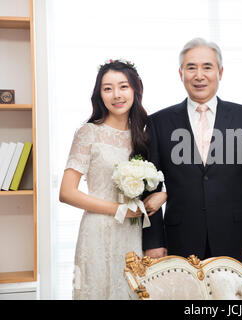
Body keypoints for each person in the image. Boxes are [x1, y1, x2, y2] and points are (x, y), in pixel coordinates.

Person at [143, 38, 242, 267]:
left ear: (220, 72)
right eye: (191, 67)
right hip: (179, 240)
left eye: (207, 67)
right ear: (180, 73)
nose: (199, 75)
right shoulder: (158, 122)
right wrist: (153, 241)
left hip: (235, 238)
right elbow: (151, 187)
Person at [59, 59, 167, 299]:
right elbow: (66, 192)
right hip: (97, 231)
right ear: (99, 94)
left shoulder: (145, 135)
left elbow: (163, 180)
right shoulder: (89, 132)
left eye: (123, 86)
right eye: (107, 88)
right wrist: (119, 209)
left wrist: (164, 194)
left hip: (133, 233)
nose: (116, 94)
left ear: (136, 90)